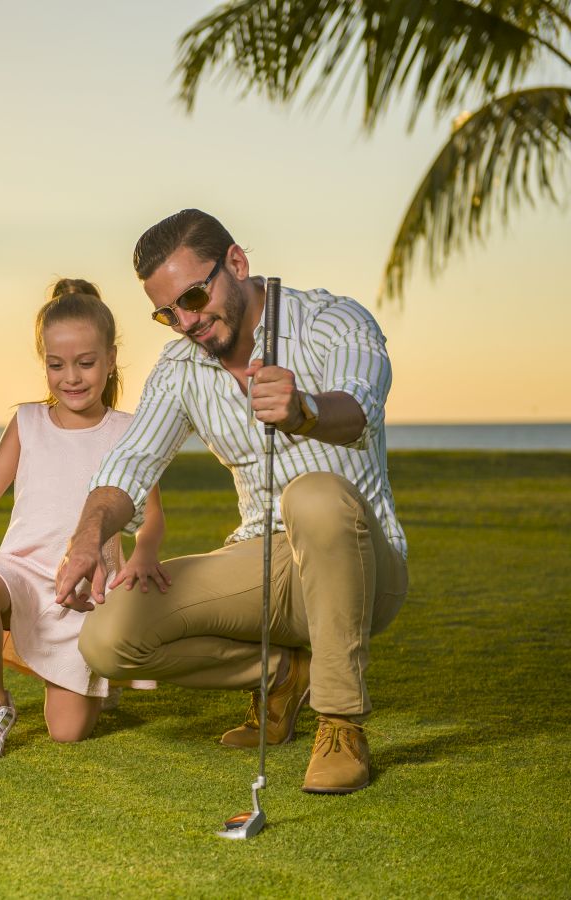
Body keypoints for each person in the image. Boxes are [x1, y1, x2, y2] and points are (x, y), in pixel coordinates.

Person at [54, 209, 408, 794]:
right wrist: (88, 535)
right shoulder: (181, 366)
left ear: (237, 264)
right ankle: (284, 674)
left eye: (194, 297)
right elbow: (131, 463)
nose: (185, 322)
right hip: (266, 561)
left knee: (313, 494)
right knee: (107, 639)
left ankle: (341, 722)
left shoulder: (333, 320)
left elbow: (360, 409)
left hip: (364, 562)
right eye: (167, 313)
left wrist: (305, 412)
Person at [0, 278, 167, 762]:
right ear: (43, 361)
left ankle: (73, 670)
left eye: (86, 363)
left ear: (110, 359)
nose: (72, 377)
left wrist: (143, 555)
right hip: (20, 573)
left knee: (67, 733)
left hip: (85, 592)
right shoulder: (27, 421)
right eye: (56, 364)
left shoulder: (129, 431)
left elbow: (150, 516)